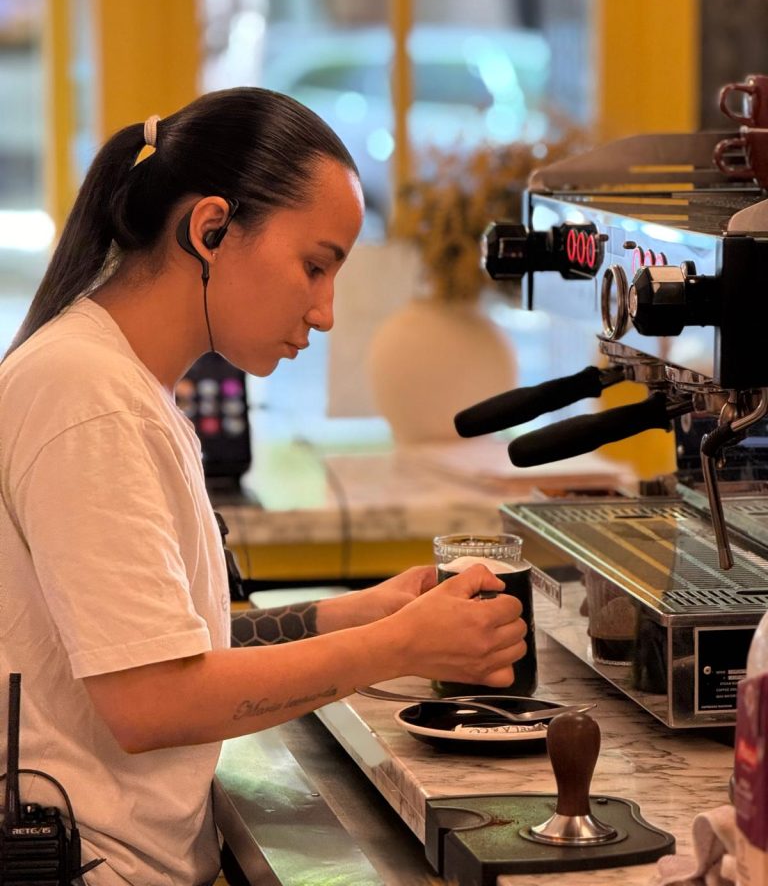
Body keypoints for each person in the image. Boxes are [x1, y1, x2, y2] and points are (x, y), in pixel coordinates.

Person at [0, 87, 528, 886]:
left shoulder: (125, 385)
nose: (325, 313)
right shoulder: (88, 398)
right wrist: (401, 646)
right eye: (314, 266)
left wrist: (355, 615)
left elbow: (163, 652)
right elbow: (150, 702)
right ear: (210, 229)